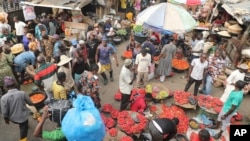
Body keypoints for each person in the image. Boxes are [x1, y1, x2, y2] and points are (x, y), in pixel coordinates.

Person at [1, 76, 34, 141]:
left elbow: (5, 112)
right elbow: (30, 103)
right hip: (23, 117)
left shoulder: (3, 98)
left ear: (6, 87)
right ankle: (22, 139)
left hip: (13, 119)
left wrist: (6, 119)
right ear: (15, 84)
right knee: (23, 129)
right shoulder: (22, 93)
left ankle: (24, 126)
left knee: (22, 124)